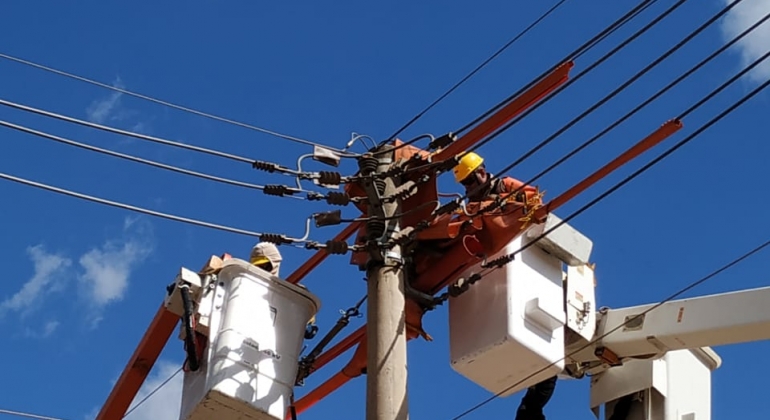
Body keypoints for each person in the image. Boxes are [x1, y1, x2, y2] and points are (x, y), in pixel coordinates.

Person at [453, 152, 556, 420]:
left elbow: (535, 204)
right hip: (498, 268)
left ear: (483, 171)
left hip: (522, 253)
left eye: (472, 178)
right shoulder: (469, 207)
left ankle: (531, 410)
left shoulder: (506, 186)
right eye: (465, 183)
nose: (470, 186)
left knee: (547, 366)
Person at [249, 242, 318, 339]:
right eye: (258, 266)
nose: (262, 270)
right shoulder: (247, 287)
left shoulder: (291, 292)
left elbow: (306, 318)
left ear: (275, 263)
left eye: (266, 266)